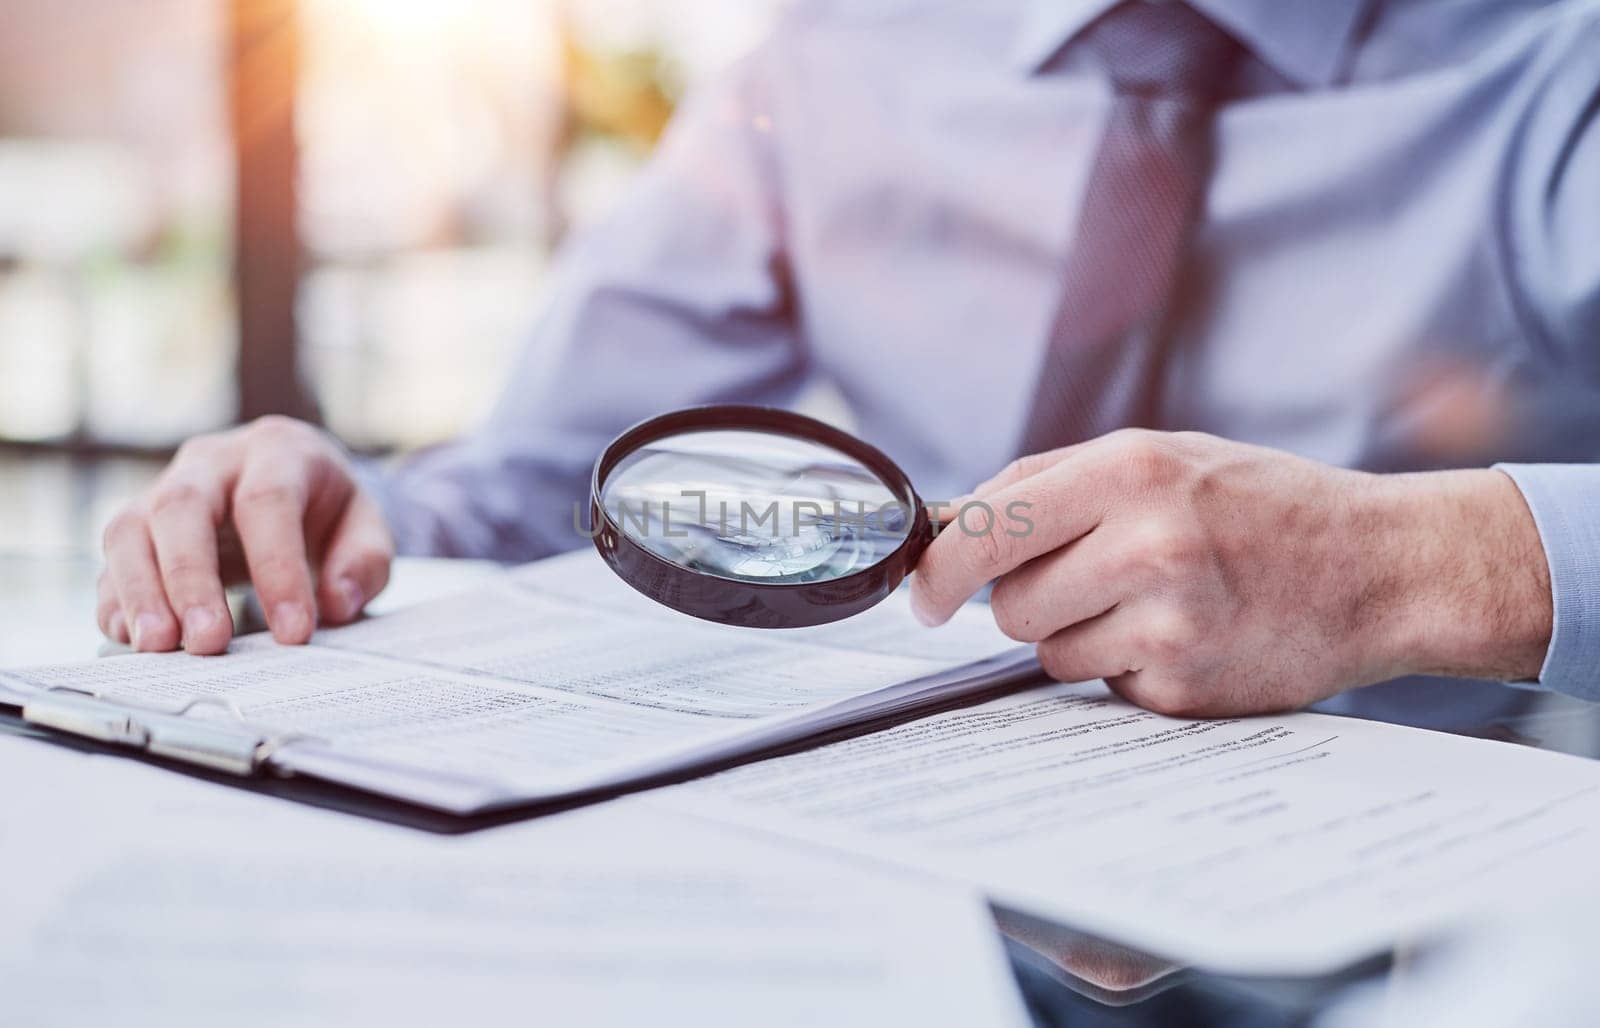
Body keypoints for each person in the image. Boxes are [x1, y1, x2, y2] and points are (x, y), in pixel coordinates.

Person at [96, 0, 1600, 727]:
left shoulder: (1557, 68)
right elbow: (546, 486)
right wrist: (330, 515)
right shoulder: (832, 66)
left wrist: (1416, 565)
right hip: (901, 869)